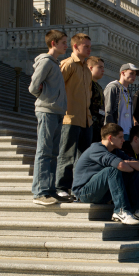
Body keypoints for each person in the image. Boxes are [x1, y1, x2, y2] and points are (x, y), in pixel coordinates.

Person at [72, 123, 139, 227]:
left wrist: (126, 163)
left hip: (102, 193)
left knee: (134, 172)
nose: (124, 140)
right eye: (120, 137)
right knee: (112, 170)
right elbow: (121, 166)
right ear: (110, 138)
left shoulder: (116, 151)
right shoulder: (97, 149)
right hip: (84, 193)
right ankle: (120, 211)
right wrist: (125, 164)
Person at [30, 29, 69, 206]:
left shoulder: (55, 63)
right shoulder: (45, 62)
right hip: (47, 110)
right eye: (63, 42)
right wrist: (47, 97)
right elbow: (33, 87)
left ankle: (50, 189)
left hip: (57, 111)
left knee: (53, 153)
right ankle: (40, 191)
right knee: (44, 151)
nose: (66, 46)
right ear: (53, 43)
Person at [56, 32, 93, 199]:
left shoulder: (86, 68)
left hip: (86, 119)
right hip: (69, 117)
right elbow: (55, 86)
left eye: (90, 46)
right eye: (86, 46)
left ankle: (78, 188)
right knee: (67, 155)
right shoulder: (68, 64)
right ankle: (61, 186)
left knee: (83, 158)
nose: (89, 49)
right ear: (75, 46)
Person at [104, 63, 139, 141]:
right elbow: (108, 111)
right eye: (131, 73)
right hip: (116, 132)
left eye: (135, 75)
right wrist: (110, 130)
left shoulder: (128, 91)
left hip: (127, 132)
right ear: (123, 73)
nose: (134, 76)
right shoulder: (113, 87)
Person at [86, 56, 105, 144]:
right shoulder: (88, 84)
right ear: (90, 68)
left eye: (103, 68)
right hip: (89, 123)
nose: (103, 70)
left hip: (99, 124)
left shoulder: (99, 87)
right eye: (100, 67)